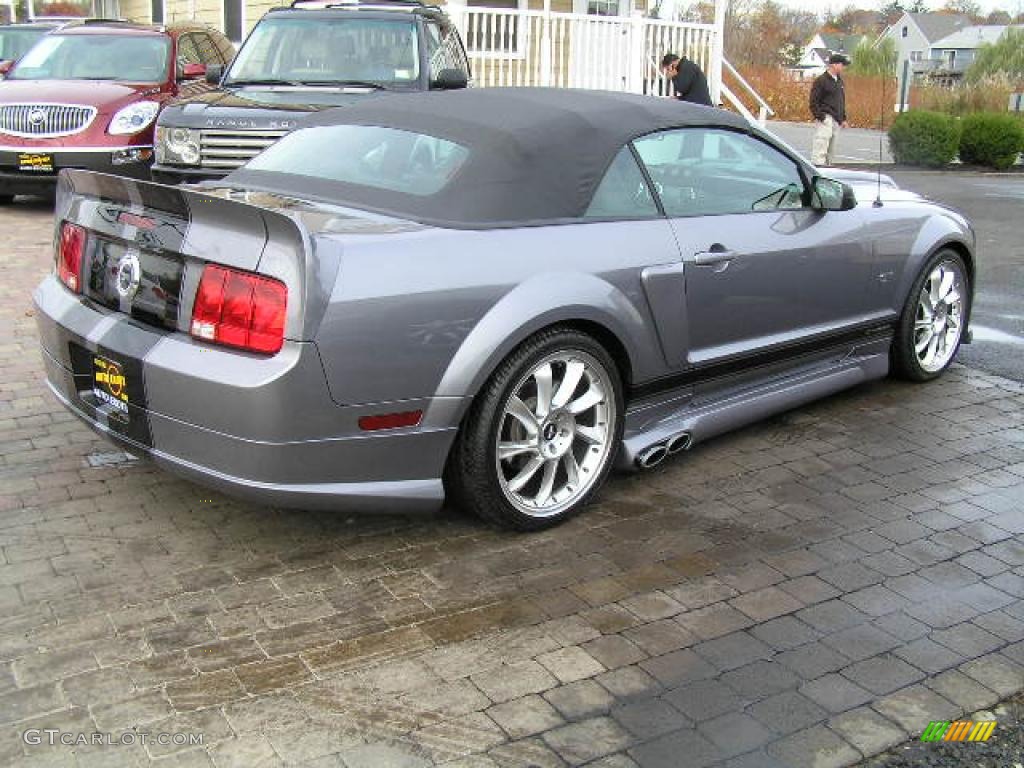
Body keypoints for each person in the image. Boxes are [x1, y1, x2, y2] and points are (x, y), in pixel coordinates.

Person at [809, 53, 849, 167]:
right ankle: (817, 166)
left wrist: (843, 118)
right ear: (834, 65)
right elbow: (813, 101)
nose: (843, 67)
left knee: (832, 147)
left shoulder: (839, 81)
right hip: (826, 117)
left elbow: (841, 100)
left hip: (837, 119)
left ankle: (828, 167)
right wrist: (820, 116)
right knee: (821, 143)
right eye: (842, 64)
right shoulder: (821, 80)